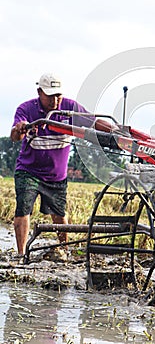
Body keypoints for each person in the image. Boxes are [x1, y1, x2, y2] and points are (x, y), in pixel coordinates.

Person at [11, 72, 120, 258]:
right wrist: (21, 129)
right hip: (29, 171)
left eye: (58, 95)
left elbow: (93, 122)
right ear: (40, 92)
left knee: (59, 215)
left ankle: (64, 250)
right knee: (23, 208)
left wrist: (117, 131)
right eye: (50, 96)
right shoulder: (26, 109)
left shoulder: (70, 108)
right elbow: (15, 135)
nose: (55, 100)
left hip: (56, 175)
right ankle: (21, 255)